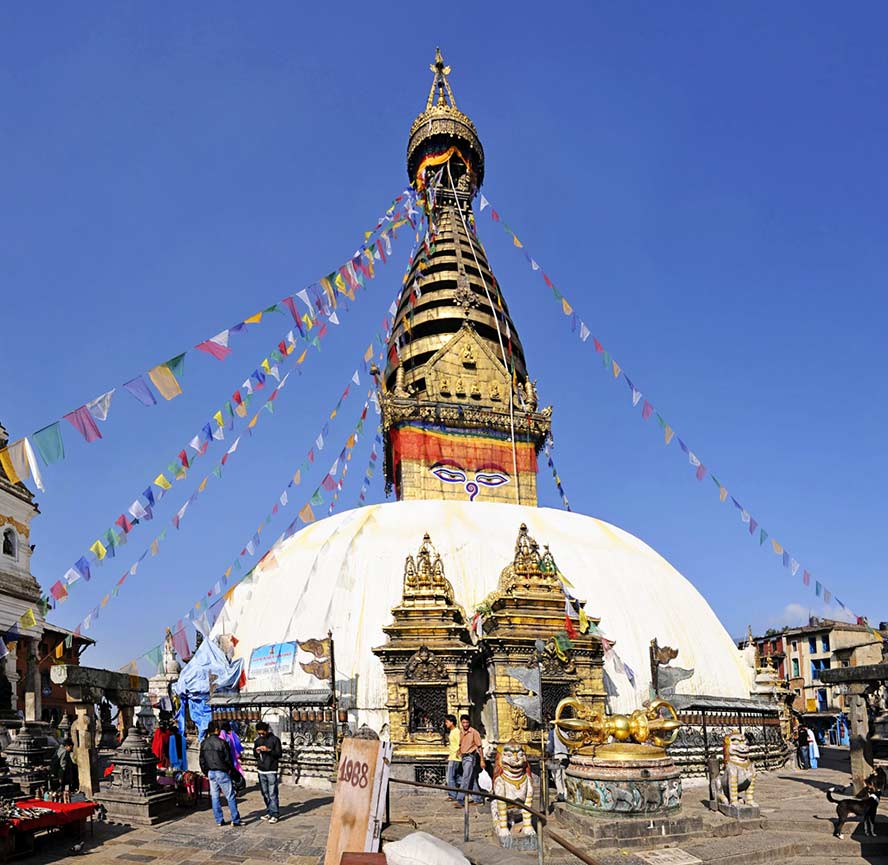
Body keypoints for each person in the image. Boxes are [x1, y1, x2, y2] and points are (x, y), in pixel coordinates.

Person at [199, 721, 242, 827]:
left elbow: (202, 761)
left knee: (215, 797)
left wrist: (206, 772)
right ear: (217, 730)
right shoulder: (222, 743)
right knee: (230, 796)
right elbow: (228, 760)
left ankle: (219, 820)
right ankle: (235, 819)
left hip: (211, 772)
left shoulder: (204, 743)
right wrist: (231, 771)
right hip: (222, 772)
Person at [254, 721, 283, 824]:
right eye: (259, 733)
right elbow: (255, 755)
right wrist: (257, 751)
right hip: (261, 769)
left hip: (271, 769)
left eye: (263, 733)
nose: (261, 735)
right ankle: (269, 811)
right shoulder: (257, 741)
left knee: (272, 793)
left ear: (267, 731)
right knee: (265, 793)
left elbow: (279, 754)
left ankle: (275, 813)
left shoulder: (275, 740)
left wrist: (268, 750)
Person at [457, 714, 485, 805]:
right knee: (471, 778)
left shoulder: (474, 732)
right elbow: (461, 744)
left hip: (470, 757)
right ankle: (478, 799)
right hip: (464, 757)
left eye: (467, 722)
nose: (465, 724)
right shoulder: (461, 732)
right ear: (461, 723)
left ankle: (460, 799)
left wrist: (482, 760)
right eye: (464, 722)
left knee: (465, 778)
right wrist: (459, 750)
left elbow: (480, 747)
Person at [547, 721, 568, 804]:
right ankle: (566, 793)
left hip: (556, 756)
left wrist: (547, 753)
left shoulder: (552, 733)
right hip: (565, 756)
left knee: (556, 776)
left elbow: (550, 747)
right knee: (564, 776)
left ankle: (561, 794)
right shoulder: (565, 734)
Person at [50, 739, 78, 803]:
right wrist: (61, 777)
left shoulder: (58, 750)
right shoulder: (64, 752)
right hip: (62, 775)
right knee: (62, 790)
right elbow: (63, 766)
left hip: (55, 773)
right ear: (67, 746)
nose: (71, 749)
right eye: (71, 747)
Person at [444, 715, 462, 805]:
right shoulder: (453, 731)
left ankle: (452, 795)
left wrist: (458, 752)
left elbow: (460, 743)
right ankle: (459, 793)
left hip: (455, 757)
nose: (446, 724)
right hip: (453, 756)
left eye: (447, 722)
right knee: (458, 777)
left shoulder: (456, 732)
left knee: (451, 777)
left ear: (451, 722)